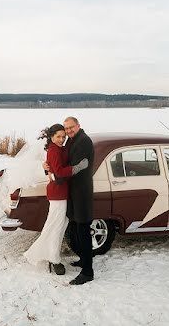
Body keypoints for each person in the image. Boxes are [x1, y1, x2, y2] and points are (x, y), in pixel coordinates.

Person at [23, 124, 88, 275]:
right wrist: (77, 168)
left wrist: (47, 168)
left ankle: (51, 255)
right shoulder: (53, 150)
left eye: (63, 137)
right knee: (55, 226)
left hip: (61, 192)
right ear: (51, 137)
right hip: (57, 193)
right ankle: (52, 258)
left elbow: (55, 167)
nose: (61, 139)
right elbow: (59, 173)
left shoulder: (59, 149)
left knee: (60, 224)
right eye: (58, 136)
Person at [63, 116, 95, 285]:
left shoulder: (83, 141)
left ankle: (88, 272)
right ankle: (83, 260)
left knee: (83, 230)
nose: (68, 131)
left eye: (71, 127)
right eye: (66, 128)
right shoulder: (73, 140)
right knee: (76, 228)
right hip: (74, 192)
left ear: (78, 125)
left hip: (82, 192)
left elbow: (74, 167)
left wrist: (57, 175)